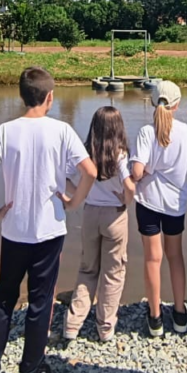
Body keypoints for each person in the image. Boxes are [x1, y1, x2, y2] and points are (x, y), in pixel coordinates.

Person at [0, 67, 97, 373]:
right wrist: (73, 202)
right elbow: (90, 171)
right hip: (49, 230)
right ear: (50, 97)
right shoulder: (61, 131)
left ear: (21, 96)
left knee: (3, 298)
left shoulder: (5, 130)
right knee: (41, 301)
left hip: (14, 229)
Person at [62, 106, 134, 344]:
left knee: (88, 269)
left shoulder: (85, 152)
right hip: (114, 215)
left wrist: (80, 196)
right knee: (113, 273)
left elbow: (66, 179)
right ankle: (105, 327)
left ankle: (72, 325)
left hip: (90, 213)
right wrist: (124, 199)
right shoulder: (120, 153)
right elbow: (130, 186)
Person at [130, 80, 187, 337]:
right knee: (175, 256)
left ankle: (155, 318)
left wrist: (145, 169)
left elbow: (136, 171)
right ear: (177, 104)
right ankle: (179, 313)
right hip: (176, 203)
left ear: (152, 101)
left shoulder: (146, 131)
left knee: (152, 259)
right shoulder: (186, 131)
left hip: (149, 202)